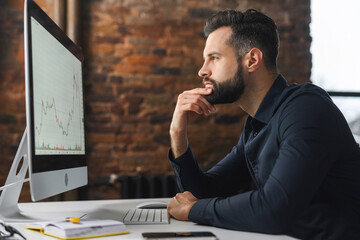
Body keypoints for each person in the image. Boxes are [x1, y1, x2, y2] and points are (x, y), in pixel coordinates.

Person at [167, 9, 360, 240]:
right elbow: (203, 193)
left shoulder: (305, 109)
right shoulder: (256, 125)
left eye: (214, 58)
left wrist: (194, 210)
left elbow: (275, 208)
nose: (202, 70)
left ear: (252, 60)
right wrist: (178, 133)